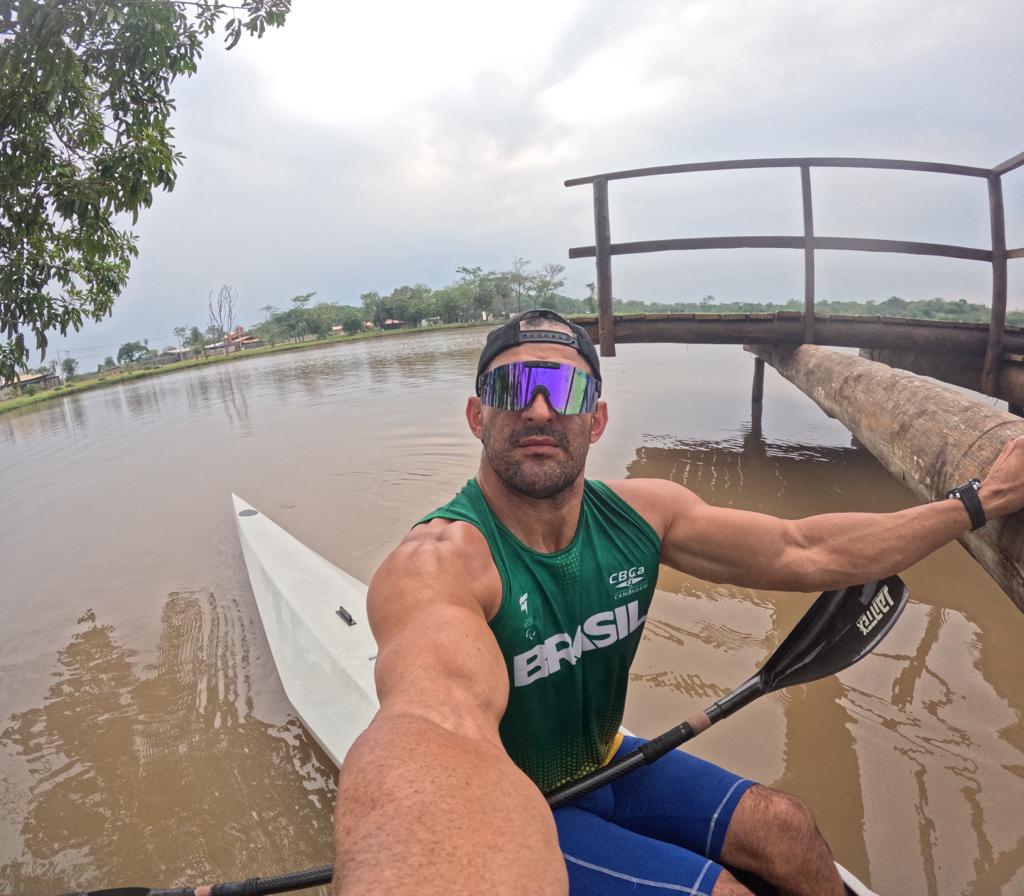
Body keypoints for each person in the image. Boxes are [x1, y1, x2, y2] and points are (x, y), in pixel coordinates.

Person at [331, 309, 1024, 896]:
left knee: (789, 829)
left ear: (595, 419)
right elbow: (432, 724)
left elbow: (805, 549)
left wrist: (977, 503)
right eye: (513, 386)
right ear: (478, 414)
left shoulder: (644, 515)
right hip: (513, 801)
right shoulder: (439, 562)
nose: (539, 408)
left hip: (609, 758)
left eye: (564, 388)